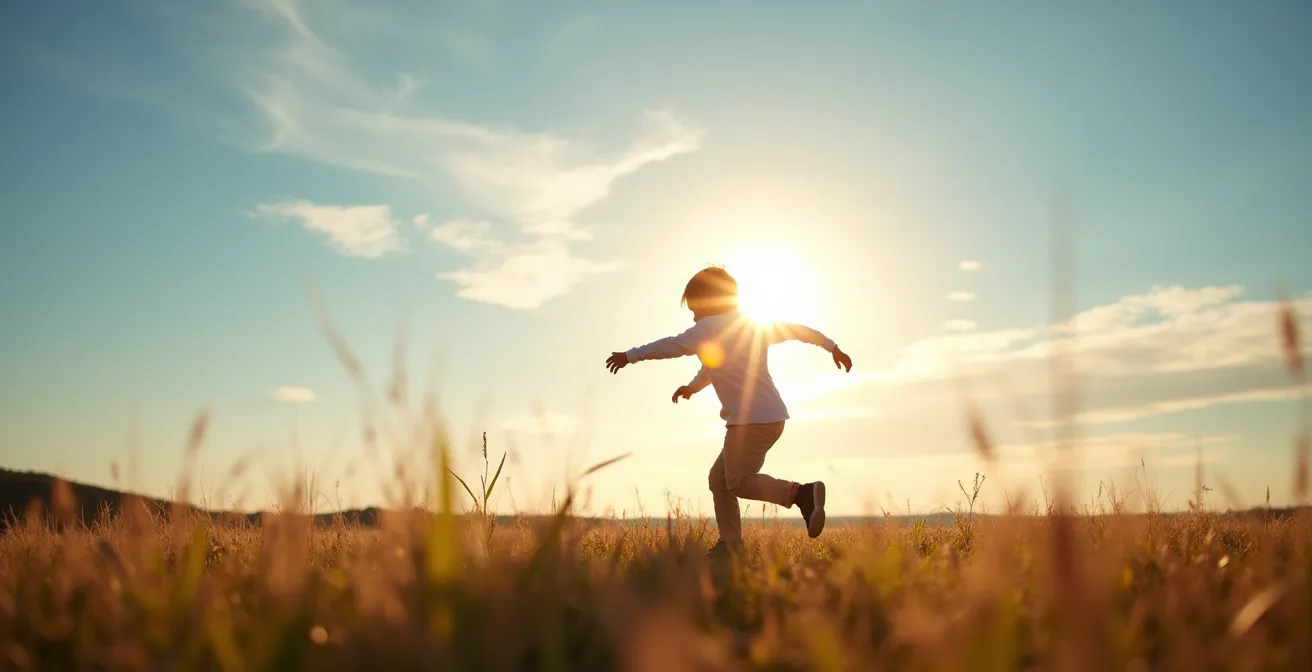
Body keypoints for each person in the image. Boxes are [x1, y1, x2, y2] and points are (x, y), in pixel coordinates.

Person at [605, 265, 853, 557]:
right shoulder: (751, 326)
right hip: (770, 417)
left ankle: (802, 495)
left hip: (750, 421)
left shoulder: (707, 328)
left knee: (738, 482)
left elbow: (671, 346)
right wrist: (832, 347)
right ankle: (731, 545)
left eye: (695, 308)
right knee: (718, 480)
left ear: (710, 302)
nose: (694, 317)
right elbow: (795, 332)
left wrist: (630, 356)